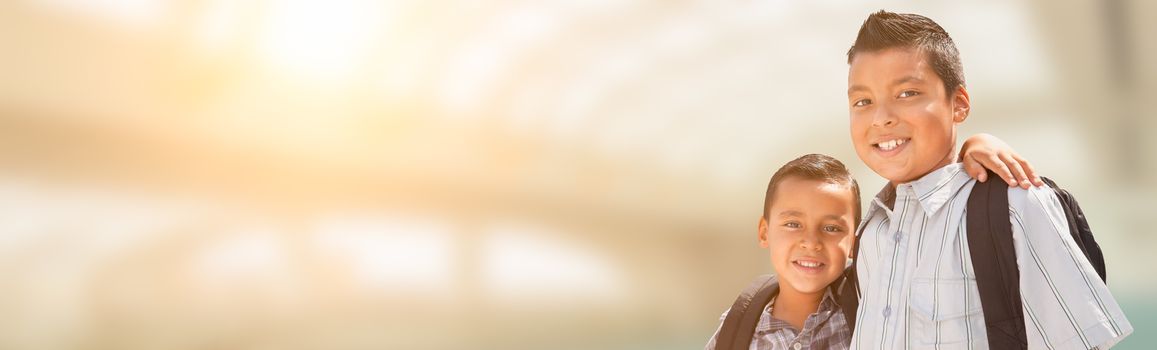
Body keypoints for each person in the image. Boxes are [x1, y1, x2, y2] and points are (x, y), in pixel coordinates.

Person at [844, 10, 1131, 349]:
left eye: (907, 93)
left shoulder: (1015, 206)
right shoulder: (871, 233)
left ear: (959, 105)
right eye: (863, 101)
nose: (881, 118)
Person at [704, 140, 1039, 350]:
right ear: (764, 232)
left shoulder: (872, 306)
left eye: (832, 228)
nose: (811, 241)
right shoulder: (739, 324)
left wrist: (973, 146)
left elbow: (921, 211)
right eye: (793, 224)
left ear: (855, 241)